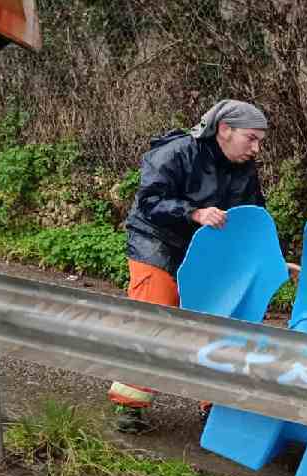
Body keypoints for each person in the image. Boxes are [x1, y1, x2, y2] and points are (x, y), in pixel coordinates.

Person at [108, 99, 297, 433]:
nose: (256, 148)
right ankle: (130, 406)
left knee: (218, 319)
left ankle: (215, 407)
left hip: (207, 252)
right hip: (158, 245)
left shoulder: (244, 169)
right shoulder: (175, 153)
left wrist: (272, 260)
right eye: (251, 138)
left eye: (260, 141)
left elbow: (253, 221)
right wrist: (193, 213)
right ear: (224, 130)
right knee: (154, 317)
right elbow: (150, 202)